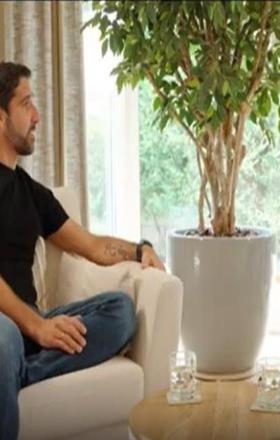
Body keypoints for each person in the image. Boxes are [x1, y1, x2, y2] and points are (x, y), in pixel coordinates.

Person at [0, 62, 165, 440]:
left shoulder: (31, 193)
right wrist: (37, 327)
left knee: (120, 311)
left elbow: (91, 245)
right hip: (8, 326)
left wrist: (140, 249)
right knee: (4, 339)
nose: (37, 116)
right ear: (0, 117)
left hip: (31, 327)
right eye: (26, 104)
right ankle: (12, 363)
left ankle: (20, 371)